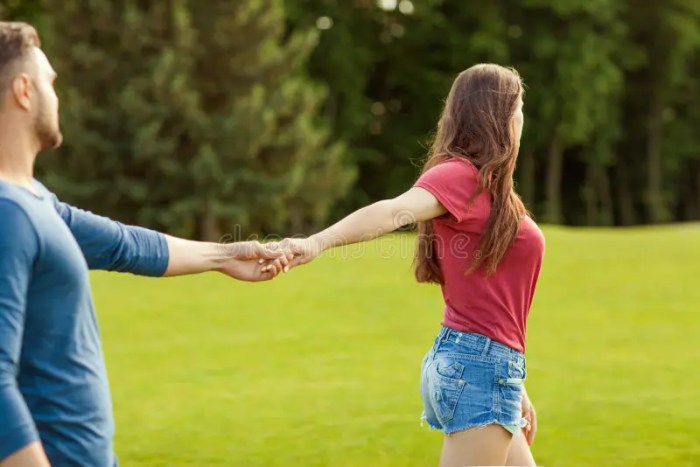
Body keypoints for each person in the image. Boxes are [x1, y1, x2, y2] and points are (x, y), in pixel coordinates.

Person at [0, 22, 291, 466]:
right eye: (50, 83)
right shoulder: (9, 214)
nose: (57, 95)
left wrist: (225, 255)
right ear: (24, 90)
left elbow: (124, 245)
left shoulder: (36, 202)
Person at [271, 64, 545, 466]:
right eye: (519, 107)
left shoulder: (491, 191)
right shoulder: (459, 176)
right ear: (499, 116)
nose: (523, 118)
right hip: (478, 368)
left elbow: (485, 296)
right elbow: (394, 210)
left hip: (489, 365)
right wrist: (316, 242)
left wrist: (515, 385)